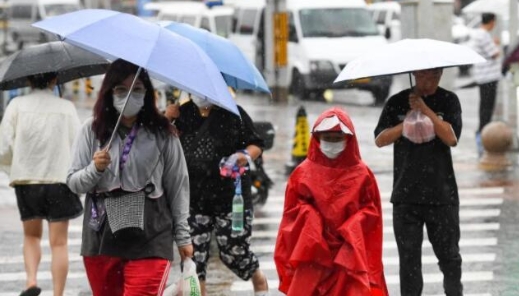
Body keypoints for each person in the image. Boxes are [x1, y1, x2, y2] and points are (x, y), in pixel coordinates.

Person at [66, 59, 193, 295]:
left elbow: (178, 186)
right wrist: (95, 168)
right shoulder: (91, 131)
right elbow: (74, 183)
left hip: (151, 234)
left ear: (147, 94)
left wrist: (183, 236)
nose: (129, 96)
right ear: (109, 92)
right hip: (101, 236)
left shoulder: (163, 134)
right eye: (121, 90)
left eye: (136, 90)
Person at [273, 107, 388, 296]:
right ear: (318, 139)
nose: (332, 143)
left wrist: (351, 229)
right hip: (313, 253)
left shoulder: (363, 175)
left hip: (347, 253)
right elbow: (292, 212)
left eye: (337, 138)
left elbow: (372, 213)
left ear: (348, 139)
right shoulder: (301, 174)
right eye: (327, 138)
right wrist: (312, 222)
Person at [165, 93, 269, 296]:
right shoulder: (183, 113)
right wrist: (166, 118)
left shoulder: (234, 114)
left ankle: (258, 278)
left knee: (233, 252)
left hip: (230, 199)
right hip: (193, 198)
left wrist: (243, 155)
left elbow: (257, 144)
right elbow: (159, 141)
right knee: (193, 259)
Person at [374, 67, 463, 296]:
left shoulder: (449, 100)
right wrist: (405, 125)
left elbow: (452, 138)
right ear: (414, 75)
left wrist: (425, 110)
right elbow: (380, 139)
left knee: (449, 258)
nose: (427, 81)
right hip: (406, 195)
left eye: (433, 75)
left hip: (442, 195)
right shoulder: (397, 102)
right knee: (409, 263)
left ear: (440, 75)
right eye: (422, 75)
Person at [0, 72, 83, 296]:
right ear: (55, 80)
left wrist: (14, 168)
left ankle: (31, 282)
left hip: (27, 180)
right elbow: (78, 145)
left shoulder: (16, 105)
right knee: (59, 243)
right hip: (59, 181)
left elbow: (4, 146)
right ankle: (58, 294)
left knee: (31, 236)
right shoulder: (66, 108)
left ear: (28, 80)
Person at [470, 12, 501, 156]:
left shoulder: (478, 34)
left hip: (483, 76)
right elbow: (494, 53)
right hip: (488, 77)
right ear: (492, 21)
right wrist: (496, 45)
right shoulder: (483, 35)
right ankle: (483, 136)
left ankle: (482, 134)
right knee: (487, 108)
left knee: (485, 107)